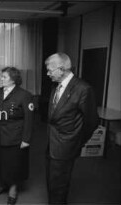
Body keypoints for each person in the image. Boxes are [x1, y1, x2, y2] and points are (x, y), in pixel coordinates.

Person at [45, 52, 99, 204]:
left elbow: (92, 122)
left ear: (61, 69)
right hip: (52, 143)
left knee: (59, 186)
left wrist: (75, 142)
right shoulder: (55, 86)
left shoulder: (83, 89)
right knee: (52, 183)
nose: (47, 74)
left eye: (50, 70)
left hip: (66, 146)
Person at [0, 67, 34, 205]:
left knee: (13, 165)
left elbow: (29, 119)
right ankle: (2, 184)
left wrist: (26, 139)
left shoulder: (24, 95)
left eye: (4, 77)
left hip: (15, 137)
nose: (1, 79)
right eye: (2, 76)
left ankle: (13, 190)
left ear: (13, 79)